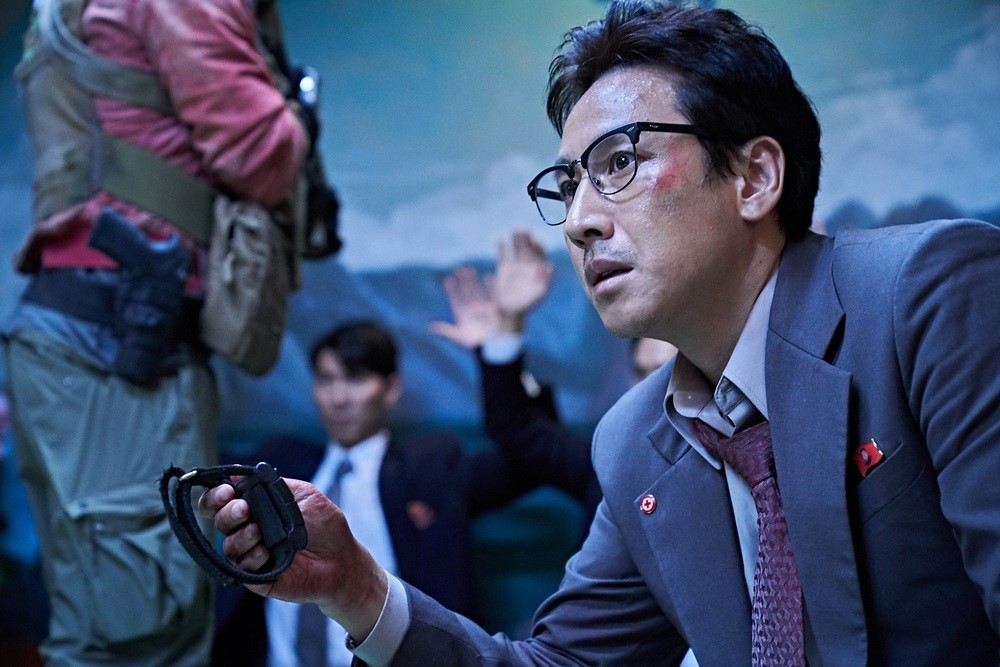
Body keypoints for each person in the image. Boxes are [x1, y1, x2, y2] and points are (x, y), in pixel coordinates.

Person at [202, 2, 1000, 664]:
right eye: (569, 182)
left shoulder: (925, 295)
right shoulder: (635, 439)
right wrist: (355, 586)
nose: (580, 219)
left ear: (755, 176)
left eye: (619, 161)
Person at [1, 0, 308, 663]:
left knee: (98, 635)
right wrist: (294, 113)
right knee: (149, 638)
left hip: (68, 342)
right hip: (123, 349)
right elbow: (262, 155)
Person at [216, 320, 580, 667]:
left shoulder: (430, 469)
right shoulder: (281, 466)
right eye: (326, 380)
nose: (339, 397)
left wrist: (502, 346)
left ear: (390, 388)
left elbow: (534, 460)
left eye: (356, 379)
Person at [431, 229, 678, 526]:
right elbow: (517, 431)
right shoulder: (610, 464)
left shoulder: (724, 457)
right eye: (640, 372)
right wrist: (509, 324)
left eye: (663, 371)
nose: (648, 385)